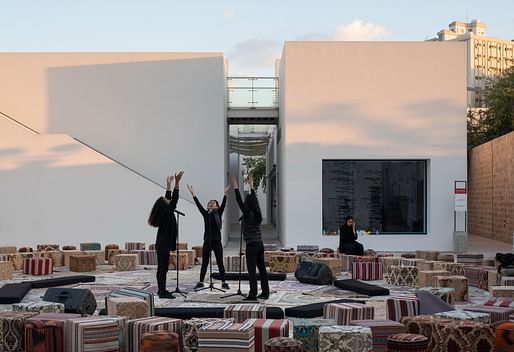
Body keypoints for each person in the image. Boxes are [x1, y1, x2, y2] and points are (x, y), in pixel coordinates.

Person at [232, 174, 270, 301]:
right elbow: (254, 199)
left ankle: (252, 294)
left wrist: (236, 187)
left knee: (252, 271)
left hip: (251, 244)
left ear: (247, 205)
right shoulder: (257, 213)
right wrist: (251, 185)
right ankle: (265, 292)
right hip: (259, 243)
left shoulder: (247, 213)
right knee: (262, 270)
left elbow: (238, 201)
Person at [187, 183, 230, 290]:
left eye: (213, 203)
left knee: (220, 262)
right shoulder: (206, 213)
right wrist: (193, 194)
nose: (211, 204)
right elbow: (198, 205)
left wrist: (225, 194)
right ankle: (201, 282)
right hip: (207, 240)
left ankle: (224, 282)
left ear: (216, 206)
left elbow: (224, 204)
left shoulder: (218, 213)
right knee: (205, 262)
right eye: (210, 203)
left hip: (217, 241)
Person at [148, 171, 183, 299]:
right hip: (163, 246)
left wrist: (168, 184)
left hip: (162, 245)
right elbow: (174, 199)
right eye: (166, 201)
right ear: (165, 206)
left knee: (162, 269)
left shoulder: (165, 213)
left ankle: (161, 290)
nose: (168, 201)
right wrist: (177, 183)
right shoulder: (167, 213)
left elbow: (169, 198)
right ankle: (162, 291)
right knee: (163, 269)